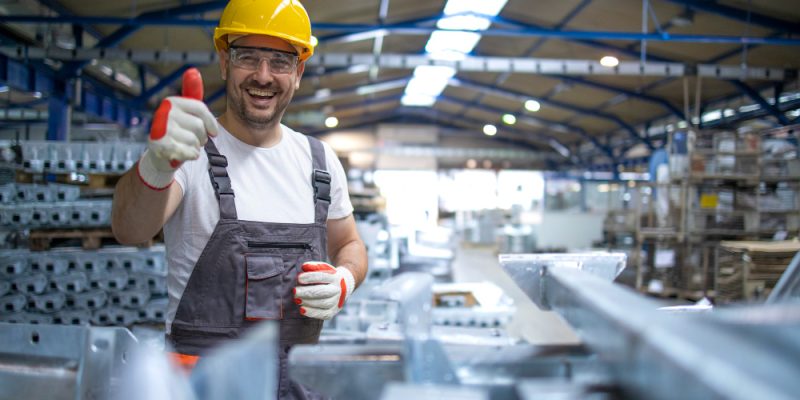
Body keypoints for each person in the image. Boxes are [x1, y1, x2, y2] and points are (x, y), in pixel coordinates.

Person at [110, 0, 367, 398]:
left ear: (298, 73)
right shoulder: (187, 148)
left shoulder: (320, 161)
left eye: (280, 61)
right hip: (203, 388)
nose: (263, 76)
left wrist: (345, 279)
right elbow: (128, 229)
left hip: (297, 387)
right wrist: (158, 165)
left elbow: (349, 243)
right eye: (249, 57)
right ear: (225, 62)